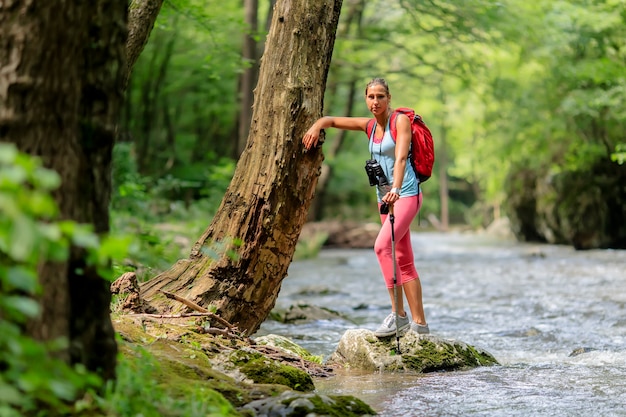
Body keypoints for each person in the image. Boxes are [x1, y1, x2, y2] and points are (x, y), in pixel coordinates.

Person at [302, 77, 429, 337]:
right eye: (371, 97)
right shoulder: (369, 126)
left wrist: (395, 188)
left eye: (380, 96)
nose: (375, 102)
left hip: (405, 194)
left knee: (382, 247)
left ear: (389, 98)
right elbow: (334, 121)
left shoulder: (399, 122)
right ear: (365, 99)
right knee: (403, 258)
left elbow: (402, 157)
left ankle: (398, 315)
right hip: (384, 199)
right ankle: (420, 324)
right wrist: (318, 124)